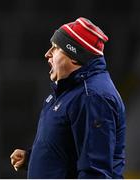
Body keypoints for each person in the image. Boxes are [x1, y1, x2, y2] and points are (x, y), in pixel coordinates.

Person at [10, 17, 126, 178]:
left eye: (55, 48)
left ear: (74, 54)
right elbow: (69, 151)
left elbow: (95, 172)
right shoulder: (71, 89)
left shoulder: (92, 97)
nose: (47, 54)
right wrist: (33, 159)